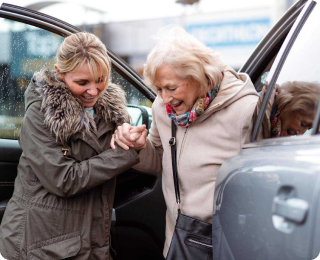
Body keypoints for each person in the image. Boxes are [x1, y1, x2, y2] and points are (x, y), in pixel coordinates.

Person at [111, 26, 259, 257]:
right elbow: (160, 159)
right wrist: (139, 147)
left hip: (223, 244)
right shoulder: (163, 108)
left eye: (171, 88)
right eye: (159, 89)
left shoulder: (246, 111)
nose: (165, 98)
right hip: (177, 240)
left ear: (200, 76)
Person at [0, 32, 139, 260]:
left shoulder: (111, 112)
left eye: (101, 79)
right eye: (82, 83)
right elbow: (64, 180)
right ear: (60, 73)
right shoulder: (40, 113)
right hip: (39, 243)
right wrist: (126, 152)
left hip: (89, 238)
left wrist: (130, 136)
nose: (93, 91)